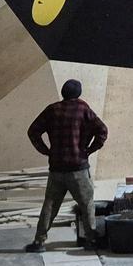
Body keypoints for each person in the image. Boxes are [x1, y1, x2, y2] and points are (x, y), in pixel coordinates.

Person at [25, 79, 108, 252]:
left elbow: (33, 131)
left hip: (56, 168)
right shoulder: (83, 109)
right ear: (78, 93)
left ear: (63, 92)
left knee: (50, 205)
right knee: (87, 204)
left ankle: (39, 242)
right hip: (78, 168)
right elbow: (102, 131)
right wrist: (89, 150)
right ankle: (91, 240)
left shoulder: (52, 110)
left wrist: (46, 151)